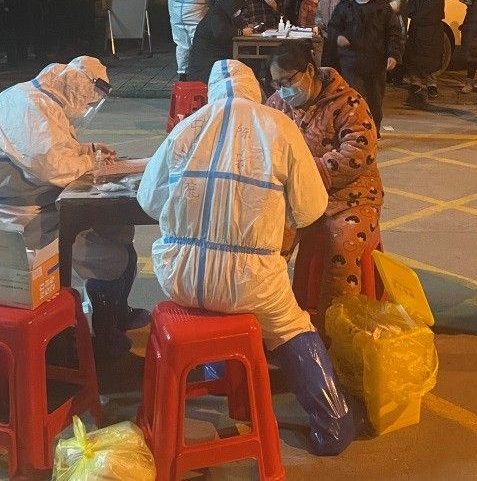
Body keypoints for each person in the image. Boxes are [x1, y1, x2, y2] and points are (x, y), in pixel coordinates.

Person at [137, 59, 356, 456]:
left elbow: (149, 201)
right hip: (250, 282)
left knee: (215, 311)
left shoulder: (187, 127)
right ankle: (334, 426)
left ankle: (217, 369)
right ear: (254, 88)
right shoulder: (279, 126)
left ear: (212, 91)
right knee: (291, 327)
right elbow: (310, 208)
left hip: (179, 278)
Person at [0, 57, 145, 352]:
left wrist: (89, 149)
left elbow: (55, 148)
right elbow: (53, 166)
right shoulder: (27, 105)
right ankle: (105, 335)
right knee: (110, 257)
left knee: (119, 233)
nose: (86, 109)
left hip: (41, 206)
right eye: (88, 102)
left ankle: (116, 314)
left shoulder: (44, 102)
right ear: (78, 90)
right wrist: (91, 160)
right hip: (21, 218)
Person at [267, 42, 384, 323]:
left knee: (342, 246)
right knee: (267, 242)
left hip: (350, 198)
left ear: (309, 70)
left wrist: (309, 171)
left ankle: (335, 327)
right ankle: (274, 317)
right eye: (276, 83)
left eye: (287, 81)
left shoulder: (349, 103)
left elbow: (359, 151)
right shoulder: (277, 104)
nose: (282, 90)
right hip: (297, 195)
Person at [326, 0, 403, 128]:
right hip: (351, 61)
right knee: (353, 99)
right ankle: (355, 130)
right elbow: (333, 27)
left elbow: (394, 32)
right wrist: (338, 37)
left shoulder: (383, 6)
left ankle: (374, 131)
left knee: (375, 100)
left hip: (376, 62)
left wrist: (393, 54)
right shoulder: (345, 5)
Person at [402, 0, 446, 101]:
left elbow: (431, 8)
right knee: (415, 55)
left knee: (431, 56)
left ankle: (431, 83)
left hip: (431, 29)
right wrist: (409, 12)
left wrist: (417, 16)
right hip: (417, 28)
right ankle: (416, 81)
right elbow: (412, 5)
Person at [183, 0, 245, 83]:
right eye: (237, 9)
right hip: (206, 69)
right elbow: (222, 32)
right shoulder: (216, 16)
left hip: (210, 63)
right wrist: (241, 32)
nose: (238, 12)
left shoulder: (221, 13)